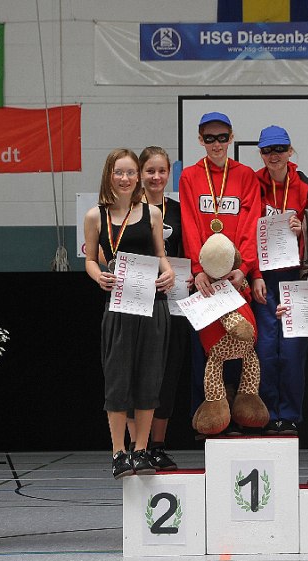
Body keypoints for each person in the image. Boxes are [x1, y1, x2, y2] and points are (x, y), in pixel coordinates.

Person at [84, 148, 175, 479]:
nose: (125, 178)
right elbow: (90, 260)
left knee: (149, 379)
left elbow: (161, 254)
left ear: (138, 177)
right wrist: (99, 276)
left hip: (152, 305)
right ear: (109, 175)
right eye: (119, 172)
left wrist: (169, 272)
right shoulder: (95, 216)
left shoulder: (152, 213)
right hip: (119, 306)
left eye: (130, 172)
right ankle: (118, 452)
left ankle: (141, 450)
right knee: (118, 379)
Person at [179, 112, 261, 435]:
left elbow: (251, 224)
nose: (216, 144)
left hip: (235, 279)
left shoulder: (245, 176)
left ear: (231, 138)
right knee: (206, 349)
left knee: (241, 344)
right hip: (205, 282)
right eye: (210, 138)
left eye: (222, 138)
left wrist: (243, 268)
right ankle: (209, 421)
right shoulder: (189, 176)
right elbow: (189, 224)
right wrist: (198, 269)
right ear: (200, 140)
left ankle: (240, 417)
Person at [251, 125, 308, 436]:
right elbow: (244, 228)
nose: (274, 155)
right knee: (266, 348)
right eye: (268, 150)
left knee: (293, 350)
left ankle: (290, 415)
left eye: (280, 149)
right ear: (261, 153)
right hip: (264, 277)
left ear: (290, 150)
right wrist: (254, 274)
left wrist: (303, 228)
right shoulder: (252, 183)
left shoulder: (307, 186)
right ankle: (268, 414)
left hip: (297, 277)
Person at [126, 146, 189, 470]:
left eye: (161, 171)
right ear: (140, 173)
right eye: (150, 170)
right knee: (136, 373)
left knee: (168, 372)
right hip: (135, 299)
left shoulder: (177, 210)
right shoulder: (129, 210)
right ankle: (136, 447)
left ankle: (158, 446)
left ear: (169, 174)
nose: (156, 177)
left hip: (171, 300)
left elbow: (187, 250)